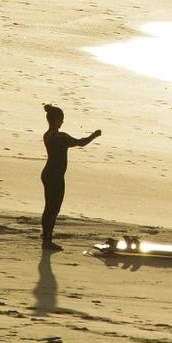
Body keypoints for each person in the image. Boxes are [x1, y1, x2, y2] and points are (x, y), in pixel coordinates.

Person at [40, 104, 102, 251]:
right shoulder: (61, 137)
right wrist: (95, 135)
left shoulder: (47, 135)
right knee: (54, 208)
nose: (62, 122)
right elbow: (81, 143)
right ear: (56, 120)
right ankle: (47, 241)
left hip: (47, 173)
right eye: (61, 120)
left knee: (49, 207)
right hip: (55, 176)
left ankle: (46, 237)